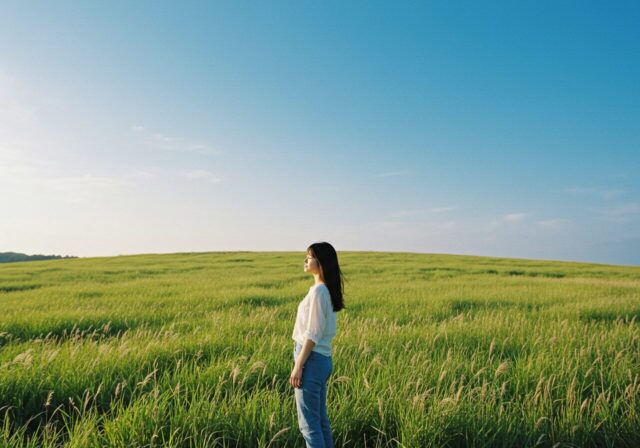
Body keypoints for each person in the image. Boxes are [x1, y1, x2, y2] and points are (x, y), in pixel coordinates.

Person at [290, 242, 345, 448]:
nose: (306, 260)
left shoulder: (318, 292)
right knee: (320, 423)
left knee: (309, 426)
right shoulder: (324, 290)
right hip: (321, 360)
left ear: (321, 262)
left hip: (310, 360)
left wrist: (298, 365)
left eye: (310, 256)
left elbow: (312, 334)